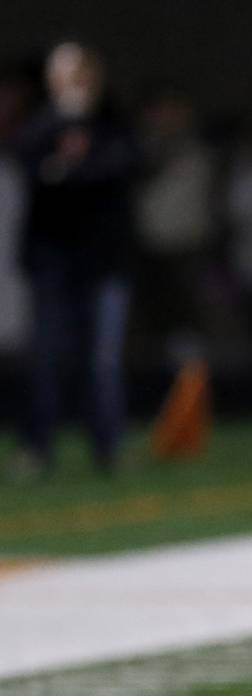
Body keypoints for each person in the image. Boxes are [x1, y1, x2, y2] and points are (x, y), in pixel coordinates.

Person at [11, 42, 139, 477]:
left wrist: (65, 172)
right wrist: (62, 125)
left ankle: (109, 447)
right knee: (46, 358)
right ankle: (35, 448)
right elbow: (29, 162)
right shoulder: (41, 124)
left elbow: (115, 169)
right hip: (53, 263)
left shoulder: (112, 123)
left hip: (104, 263)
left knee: (101, 362)